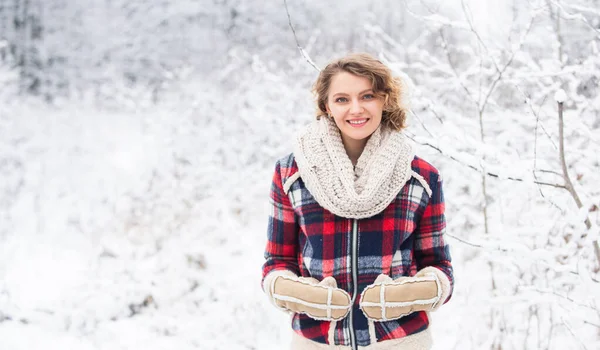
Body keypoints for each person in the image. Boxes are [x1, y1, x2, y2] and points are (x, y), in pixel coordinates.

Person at [261, 52, 454, 350]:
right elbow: (277, 262)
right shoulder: (291, 174)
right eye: (341, 99)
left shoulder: (421, 178)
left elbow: (439, 265)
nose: (356, 109)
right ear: (326, 106)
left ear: (385, 100)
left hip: (401, 341)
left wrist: (408, 294)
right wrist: (300, 294)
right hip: (316, 342)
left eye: (367, 96)